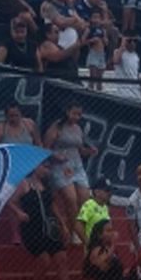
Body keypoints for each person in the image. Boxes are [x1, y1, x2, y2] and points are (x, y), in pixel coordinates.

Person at [7, 163, 83, 280]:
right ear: (36, 167)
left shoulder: (47, 185)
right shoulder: (25, 184)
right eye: (44, 167)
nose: (46, 170)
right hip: (32, 227)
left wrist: (62, 224)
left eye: (48, 167)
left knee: (62, 258)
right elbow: (10, 201)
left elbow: (52, 205)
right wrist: (19, 212)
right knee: (44, 259)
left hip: (49, 225)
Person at [46, 104, 96, 242]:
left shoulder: (78, 128)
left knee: (85, 198)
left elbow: (80, 149)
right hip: (61, 167)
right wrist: (56, 156)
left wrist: (89, 152)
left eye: (79, 114)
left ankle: (79, 226)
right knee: (71, 199)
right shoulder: (57, 127)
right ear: (67, 112)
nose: (76, 117)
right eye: (74, 113)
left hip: (77, 166)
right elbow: (45, 148)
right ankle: (75, 232)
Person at [76, 178, 112, 246]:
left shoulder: (105, 207)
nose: (110, 193)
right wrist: (87, 242)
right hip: (94, 245)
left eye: (111, 191)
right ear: (96, 192)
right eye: (107, 191)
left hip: (103, 245)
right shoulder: (89, 205)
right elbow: (78, 225)